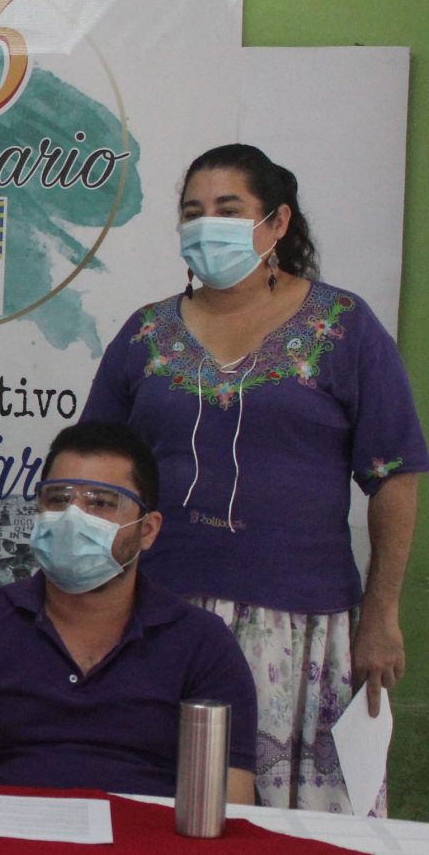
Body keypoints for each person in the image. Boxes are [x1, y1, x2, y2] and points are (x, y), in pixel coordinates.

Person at [82, 144, 427, 813]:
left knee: (291, 824)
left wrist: (382, 615)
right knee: (157, 811)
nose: (206, 224)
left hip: (301, 625)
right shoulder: (145, 334)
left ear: (277, 223)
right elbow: (94, 467)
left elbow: (394, 475)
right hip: (160, 616)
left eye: (228, 208)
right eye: (193, 212)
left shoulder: (344, 327)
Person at [0, 422, 257, 800]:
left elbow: (230, 806)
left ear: (147, 530)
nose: (72, 518)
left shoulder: (202, 644)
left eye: (101, 502)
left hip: (145, 832)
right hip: (10, 828)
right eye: (58, 499)